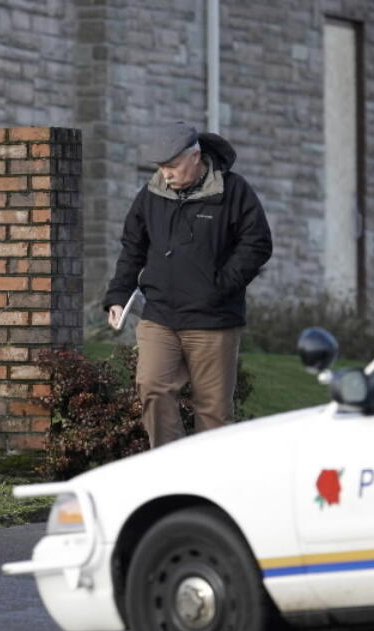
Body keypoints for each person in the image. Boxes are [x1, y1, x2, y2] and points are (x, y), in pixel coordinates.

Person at [103, 122, 272, 448]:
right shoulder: (150, 195)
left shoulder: (233, 191)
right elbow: (132, 248)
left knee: (213, 410)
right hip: (160, 315)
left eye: (172, 166)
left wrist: (220, 286)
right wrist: (118, 295)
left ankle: (209, 483)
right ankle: (168, 468)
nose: (165, 174)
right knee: (152, 386)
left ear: (196, 157)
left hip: (213, 320)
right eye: (161, 167)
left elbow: (257, 244)